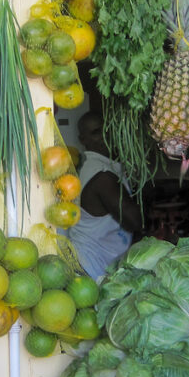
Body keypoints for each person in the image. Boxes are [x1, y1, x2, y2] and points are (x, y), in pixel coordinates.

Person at [67, 112, 142, 281]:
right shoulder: (101, 175)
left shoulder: (99, 164)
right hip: (91, 268)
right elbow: (134, 221)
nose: (105, 136)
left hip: (97, 262)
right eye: (96, 132)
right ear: (83, 140)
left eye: (107, 129)